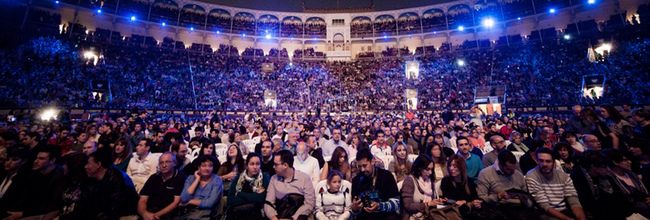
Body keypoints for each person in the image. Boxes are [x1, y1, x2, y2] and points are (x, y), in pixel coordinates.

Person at [5, 146, 65, 220]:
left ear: (52, 160)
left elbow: (51, 205)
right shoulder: (35, 173)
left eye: (41, 159)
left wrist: (22, 213)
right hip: (28, 209)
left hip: (43, 213)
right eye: (37, 158)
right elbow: (25, 196)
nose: (36, 161)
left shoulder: (59, 177)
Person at [526, 148, 586, 220]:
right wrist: (567, 219)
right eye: (541, 161)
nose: (544, 164)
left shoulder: (563, 176)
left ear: (554, 163)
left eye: (548, 161)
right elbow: (544, 205)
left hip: (564, 209)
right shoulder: (532, 176)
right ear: (537, 161)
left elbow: (573, 200)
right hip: (545, 212)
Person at [477, 150, 533, 219]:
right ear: (500, 164)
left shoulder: (517, 174)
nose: (512, 172)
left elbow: (527, 196)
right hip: (499, 209)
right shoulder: (485, 174)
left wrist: (524, 198)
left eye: (513, 168)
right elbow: (481, 198)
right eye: (508, 169)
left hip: (520, 207)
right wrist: (497, 196)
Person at [402, 155, 461, 219]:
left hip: (430, 213)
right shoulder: (410, 180)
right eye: (428, 169)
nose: (430, 172)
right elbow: (408, 206)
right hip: (414, 216)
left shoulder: (430, 180)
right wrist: (427, 204)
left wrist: (437, 201)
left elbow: (432, 201)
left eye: (432, 169)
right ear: (419, 168)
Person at [84, 150, 139, 219]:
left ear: (98, 164)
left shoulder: (117, 179)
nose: (85, 167)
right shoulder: (94, 180)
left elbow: (116, 206)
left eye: (88, 164)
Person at [264, 150, 316, 220]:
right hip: (279, 215)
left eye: (276, 164)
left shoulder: (304, 178)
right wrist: (274, 217)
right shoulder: (274, 179)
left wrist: (293, 218)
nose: (273, 167)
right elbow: (268, 202)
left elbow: (309, 203)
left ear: (285, 165)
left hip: (298, 217)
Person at [350, 148, 400, 220]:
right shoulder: (356, 180)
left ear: (372, 161)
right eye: (359, 166)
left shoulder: (386, 176)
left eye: (365, 165)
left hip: (384, 215)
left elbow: (397, 203)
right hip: (365, 216)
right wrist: (355, 209)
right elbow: (354, 211)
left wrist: (379, 206)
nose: (362, 170)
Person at [138, 152, 186, 220]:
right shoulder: (154, 177)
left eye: (167, 162)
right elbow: (143, 199)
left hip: (169, 213)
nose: (164, 165)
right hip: (149, 212)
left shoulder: (180, 178)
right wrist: (144, 213)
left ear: (174, 163)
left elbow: (176, 202)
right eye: (161, 163)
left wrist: (154, 216)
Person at [226, 153, 270, 220]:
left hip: (256, 215)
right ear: (246, 165)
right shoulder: (238, 178)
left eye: (257, 164)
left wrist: (239, 194)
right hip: (237, 215)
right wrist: (253, 197)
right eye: (252, 164)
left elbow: (260, 199)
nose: (255, 167)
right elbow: (231, 200)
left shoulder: (265, 177)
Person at [180, 155, 224, 219]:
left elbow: (210, 203)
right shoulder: (190, 178)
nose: (207, 168)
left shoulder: (217, 180)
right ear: (198, 167)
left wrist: (190, 201)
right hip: (186, 212)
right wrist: (197, 179)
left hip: (206, 214)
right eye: (203, 166)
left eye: (210, 166)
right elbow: (184, 198)